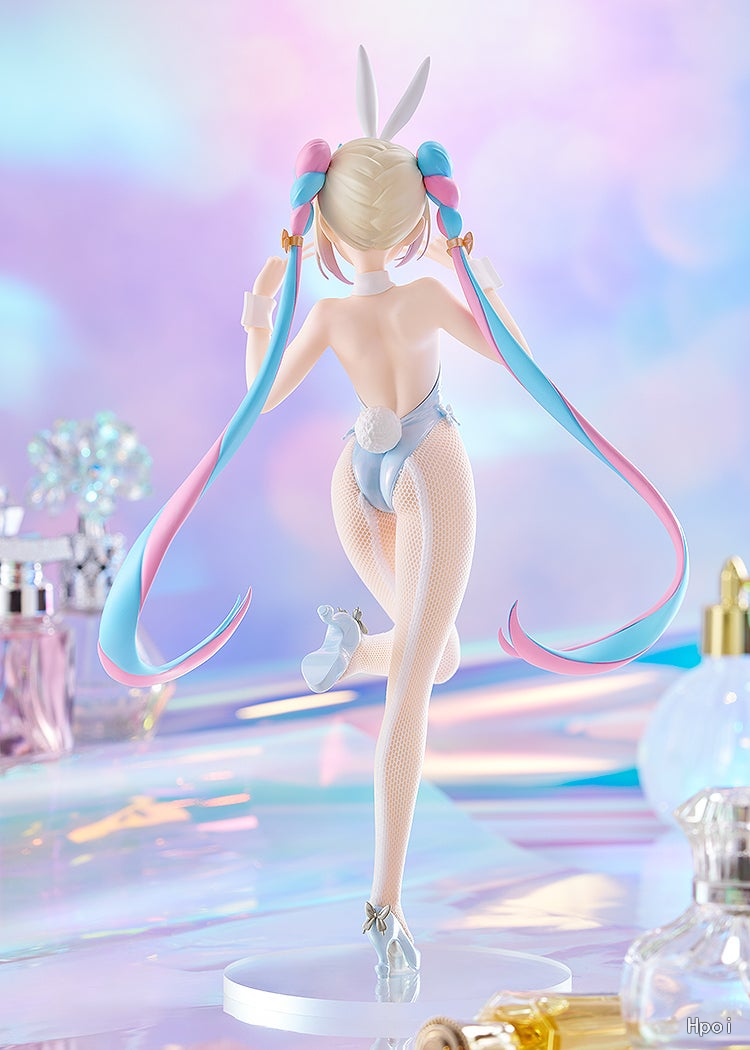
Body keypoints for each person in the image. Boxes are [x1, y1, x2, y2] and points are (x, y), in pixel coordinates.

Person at [99, 49, 688, 979]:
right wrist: (474, 272)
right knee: (417, 682)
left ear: (327, 224)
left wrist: (259, 313)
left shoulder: (331, 316)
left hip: (356, 474)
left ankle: (354, 649)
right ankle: (386, 907)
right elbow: (514, 356)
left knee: (432, 654)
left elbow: (260, 399)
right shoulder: (424, 299)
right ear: (416, 218)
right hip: (425, 465)